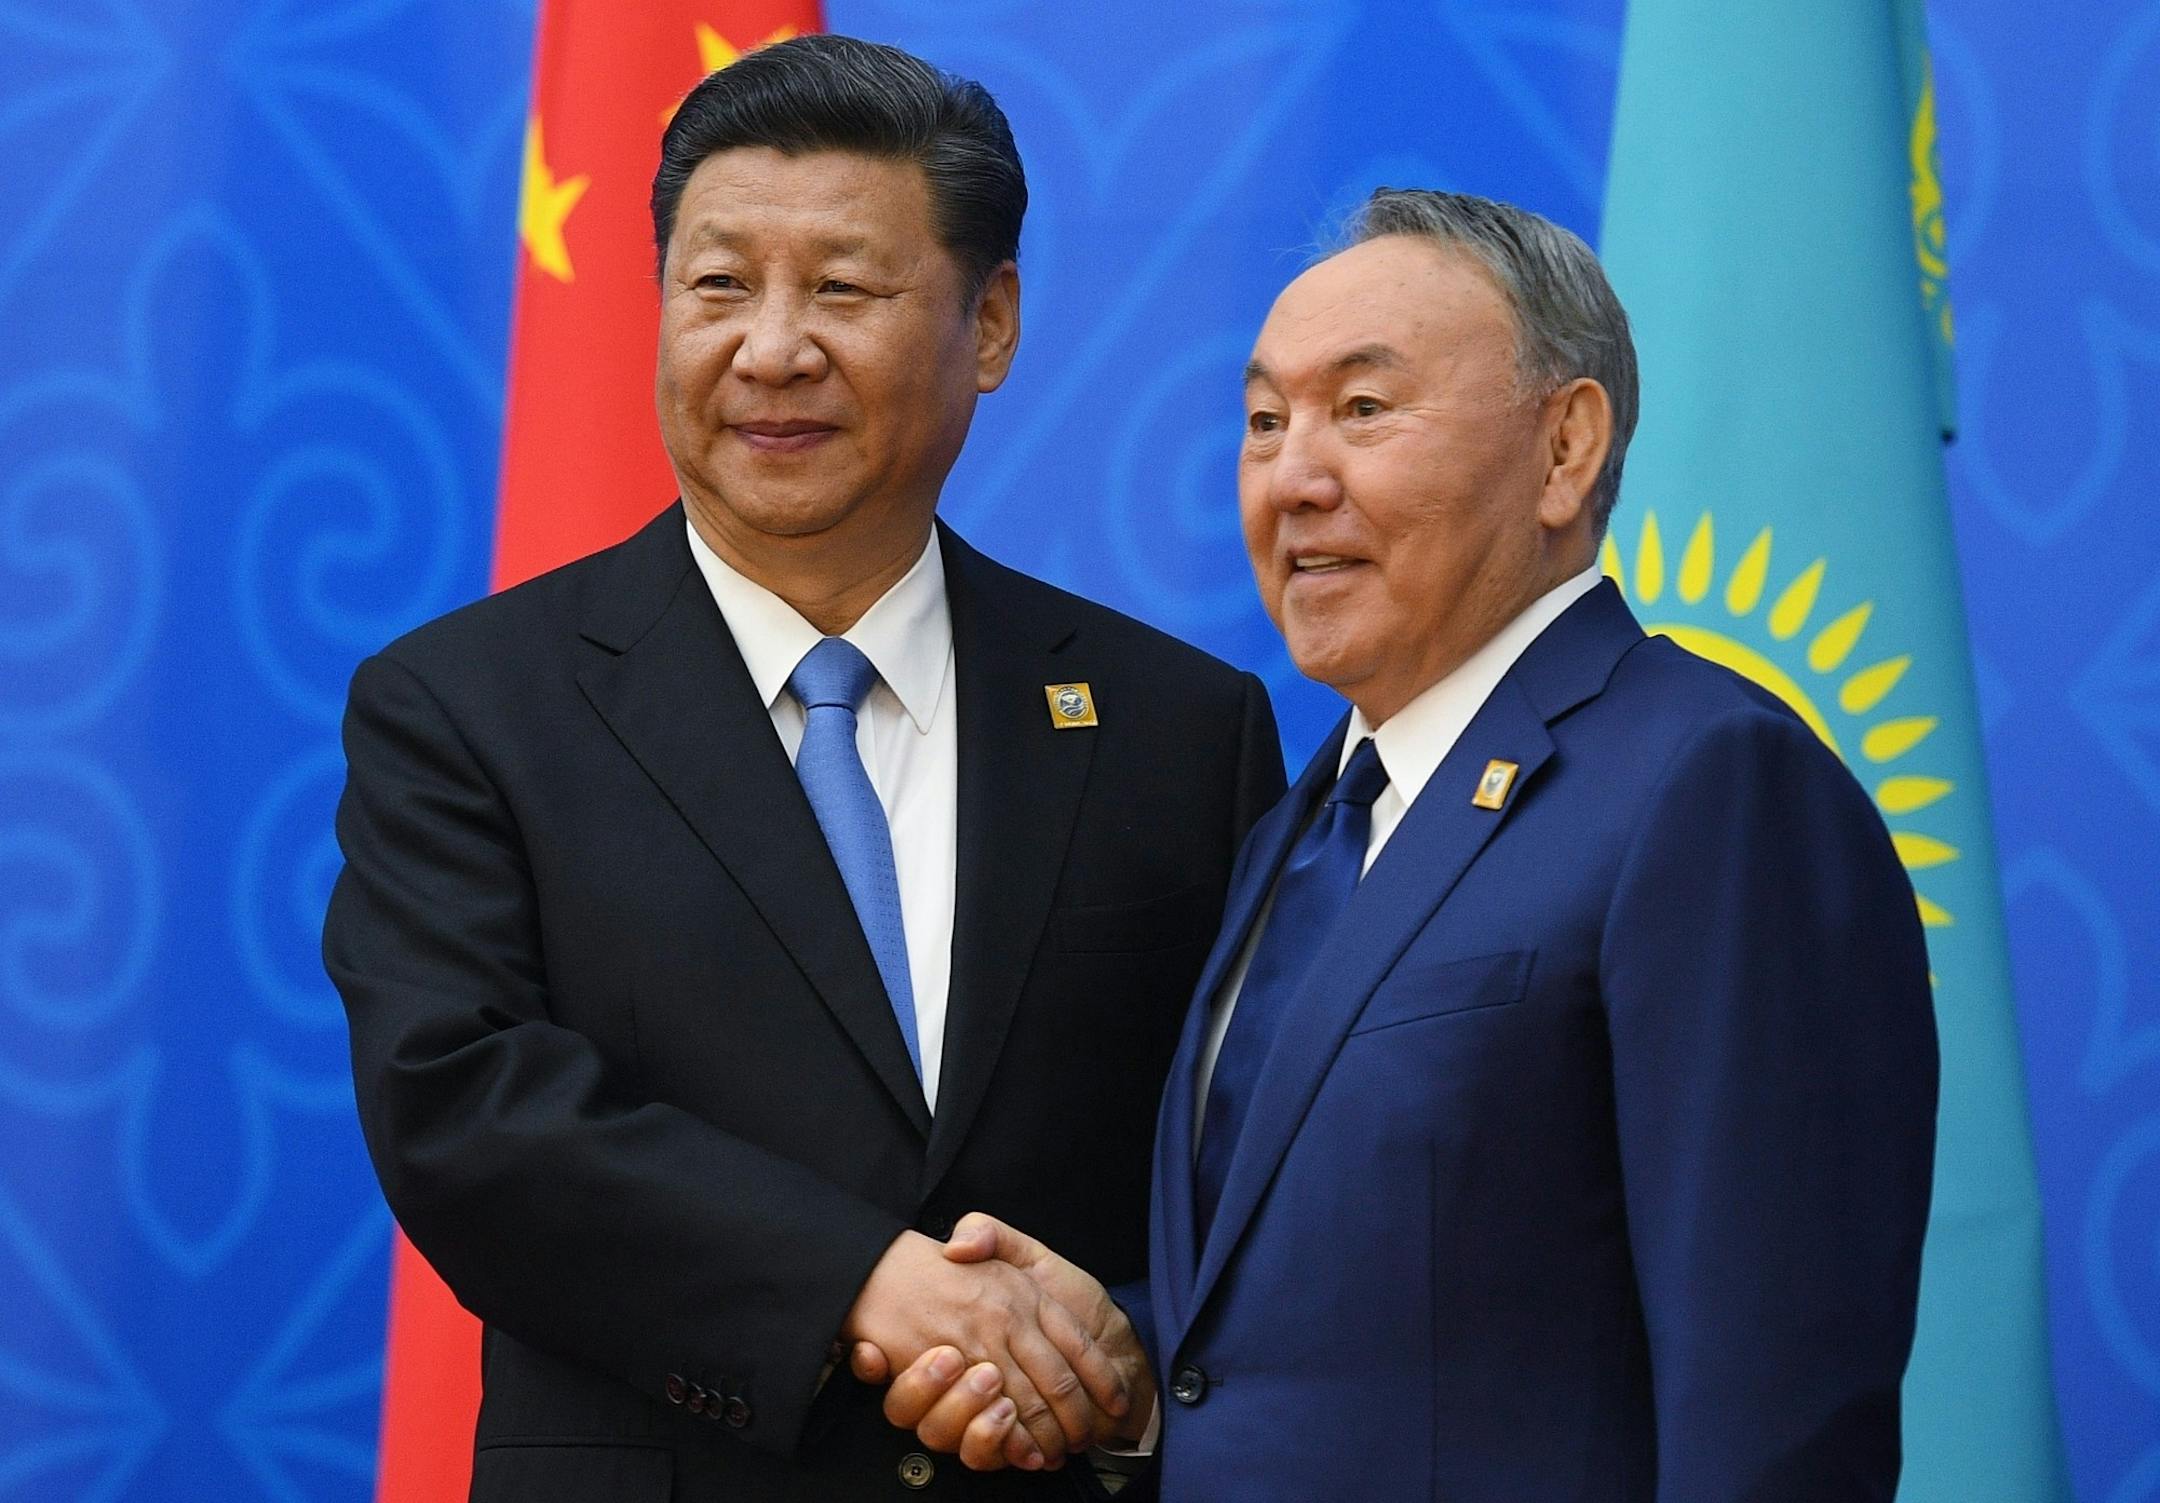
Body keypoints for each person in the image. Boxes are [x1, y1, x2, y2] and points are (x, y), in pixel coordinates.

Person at [323, 35, 1283, 1502]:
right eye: (718, 287)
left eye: (842, 288)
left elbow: (1253, 1166)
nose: (771, 349)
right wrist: (865, 1285)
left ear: (995, 321)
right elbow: (467, 1115)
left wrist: (1124, 1361)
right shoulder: (466, 710)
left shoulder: (1175, 727)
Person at [869, 188, 1940, 1500]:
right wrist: (1124, 1357)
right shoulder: (1298, 828)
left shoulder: (1708, 784)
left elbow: (1769, 1416)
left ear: (1565, 447)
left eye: (1363, 410)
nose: (1296, 478)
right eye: (1266, 422)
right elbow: (1334, 1336)